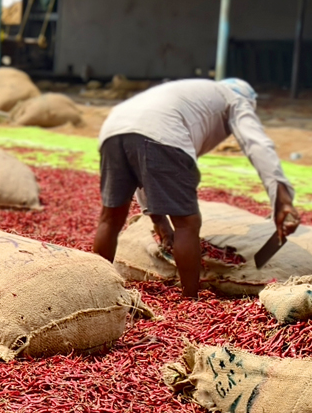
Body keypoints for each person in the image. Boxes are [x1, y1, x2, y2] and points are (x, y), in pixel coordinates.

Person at [92, 77, 300, 298]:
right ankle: (190, 298)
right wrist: (282, 197)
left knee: (110, 219)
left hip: (112, 131)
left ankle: (98, 290)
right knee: (187, 224)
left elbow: (144, 169)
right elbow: (256, 144)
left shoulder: (194, 92)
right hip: (163, 134)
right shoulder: (237, 100)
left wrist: (159, 222)